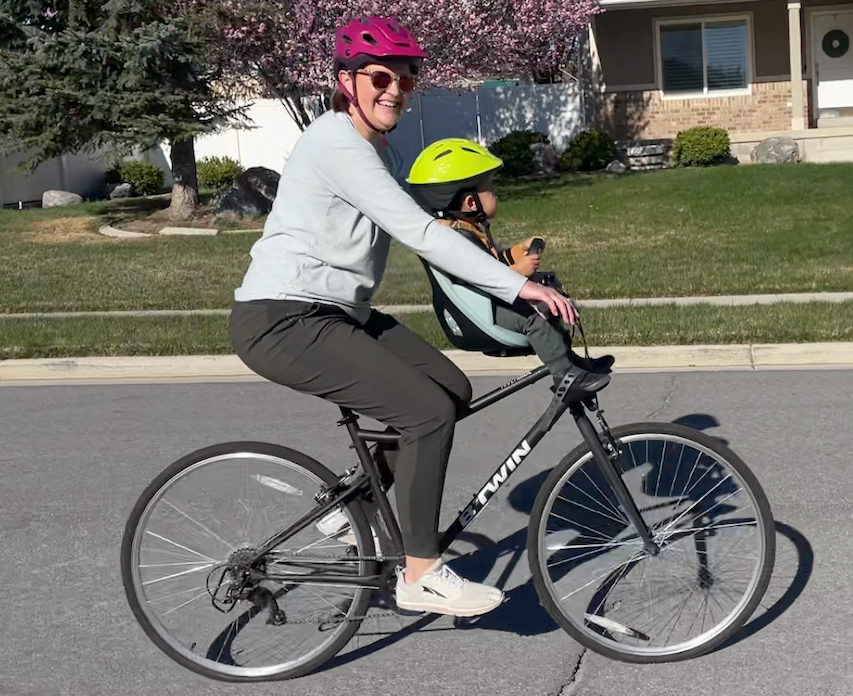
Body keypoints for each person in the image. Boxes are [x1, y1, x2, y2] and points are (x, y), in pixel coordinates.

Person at [228, 16, 585, 618]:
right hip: (282, 318)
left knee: (450, 388)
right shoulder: (336, 142)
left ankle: (354, 510)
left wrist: (492, 266)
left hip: (336, 311)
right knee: (422, 414)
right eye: (379, 77)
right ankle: (419, 573)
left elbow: (429, 226)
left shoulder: (377, 146)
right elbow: (419, 232)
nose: (394, 89)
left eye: (405, 79)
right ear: (346, 81)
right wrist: (517, 291)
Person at [406, 138, 615, 386]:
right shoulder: (454, 239)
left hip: (490, 302)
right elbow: (479, 277)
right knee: (533, 316)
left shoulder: (466, 229)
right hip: (481, 313)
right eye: (491, 188)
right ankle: (565, 377)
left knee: (549, 287)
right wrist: (518, 272)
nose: (496, 191)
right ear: (471, 202)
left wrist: (516, 253)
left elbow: (488, 263)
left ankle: (571, 363)